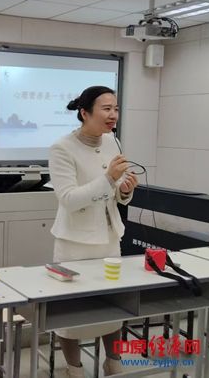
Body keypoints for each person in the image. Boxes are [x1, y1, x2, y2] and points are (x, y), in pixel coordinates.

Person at [49, 86, 138, 377]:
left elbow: (116, 193)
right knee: (70, 310)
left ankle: (114, 362)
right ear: (84, 113)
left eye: (116, 109)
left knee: (113, 304)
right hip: (75, 243)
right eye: (106, 109)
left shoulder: (113, 141)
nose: (113, 115)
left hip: (109, 239)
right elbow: (68, 199)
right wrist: (109, 178)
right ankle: (74, 368)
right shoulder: (62, 148)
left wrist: (125, 190)